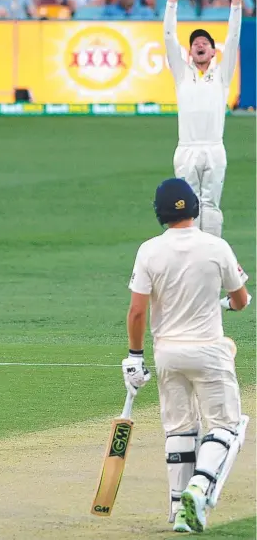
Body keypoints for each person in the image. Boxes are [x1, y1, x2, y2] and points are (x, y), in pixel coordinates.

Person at [123, 178, 251, 533]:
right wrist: (227, 301)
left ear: (159, 213)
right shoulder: (217, 246)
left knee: (179, 431)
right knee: (225, 426)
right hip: (210, 351)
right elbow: (241, 301)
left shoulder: (149, 250)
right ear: (195, 208)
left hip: (168, 355)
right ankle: (200, 485)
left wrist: (135, 356)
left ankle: (179, 507)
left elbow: (137, 311)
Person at [164, 0, 252, 238]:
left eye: (205, 43)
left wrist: (236, 3)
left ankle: (211, 254)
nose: (199, 44)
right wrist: (171, 3)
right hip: (187, 149)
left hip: (214, 147)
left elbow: (234, 37)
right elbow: (169, 39)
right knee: (187, 207)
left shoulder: (222, 75)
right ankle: (191, 255)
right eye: (195, 43)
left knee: (211, 206)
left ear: (214, 52)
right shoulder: (181, 74)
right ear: (190, 52)